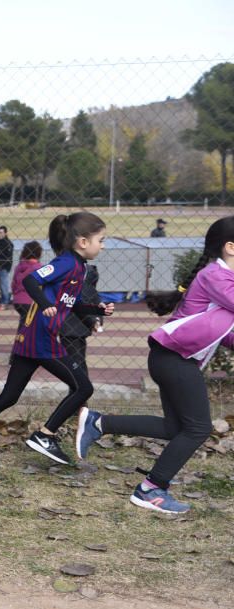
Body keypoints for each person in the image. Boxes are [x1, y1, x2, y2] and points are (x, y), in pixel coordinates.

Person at [77, 216, 234, 514]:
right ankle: (151, 488)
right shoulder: (216, 276)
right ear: (231, 247)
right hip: (173, 360)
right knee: (199, 428)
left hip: (172, 359)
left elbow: (222, 331)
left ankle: (99, 423)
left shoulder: (222, 279)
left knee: (177, 427)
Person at [0, 213, 114, 469]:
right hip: (41, 338)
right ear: (82, 242)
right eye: (101, 240)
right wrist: (45, 305)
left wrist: (97, 310)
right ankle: (45, 435)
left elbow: (71, 302)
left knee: (9, 395)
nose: (103, 245)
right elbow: (30, 280)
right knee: (83, 388)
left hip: (33, 337)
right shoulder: (66, 263)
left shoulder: (79, 267)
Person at [59, 264, 102, 373]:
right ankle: (81, 385)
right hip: (79, 327)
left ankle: (80, 386)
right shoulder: (88, 287)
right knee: (78, 360)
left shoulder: (70, 287)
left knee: (75, 361)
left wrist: (95, 321)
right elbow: (96, 303)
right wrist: (96, 321)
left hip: (69, 327)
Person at [11, 241, 44, 326]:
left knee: (23, 323)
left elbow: (13, 285)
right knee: (30, 326)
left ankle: (20, 338)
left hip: (18, 300)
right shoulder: (39, 268)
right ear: (39, 253)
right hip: (31, 302)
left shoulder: (19, 266)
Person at [0, 226, 14, 310]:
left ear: (5, 233)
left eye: (1, 233)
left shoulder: (8, 243)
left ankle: (5, 302)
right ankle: (3, 301)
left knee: (4, 285)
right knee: (1, 285)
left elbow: (8, 257)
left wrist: (2, 264)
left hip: (4, 267)